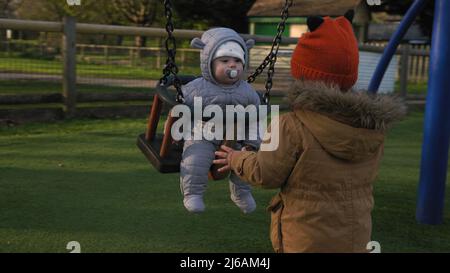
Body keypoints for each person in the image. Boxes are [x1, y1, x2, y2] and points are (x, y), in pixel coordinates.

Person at [213, 11, 406, 252]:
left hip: (306, 238)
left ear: (303, 74)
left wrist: (236, 158)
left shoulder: (292, 125)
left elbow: (266, 173)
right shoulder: (372, 127)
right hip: (356, 236)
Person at [179, 27, 262, 214]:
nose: (232, 65)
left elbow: (256, 117)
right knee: (195, 161)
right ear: (208, 62)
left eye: (237, 61)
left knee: (246, 161)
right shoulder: (196, 88)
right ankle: (193, 194)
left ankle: (242, 193)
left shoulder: (247, 91)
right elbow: (181, 104)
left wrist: (252, 142)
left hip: (237, 137)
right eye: (225, 60)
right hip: (204, 134)